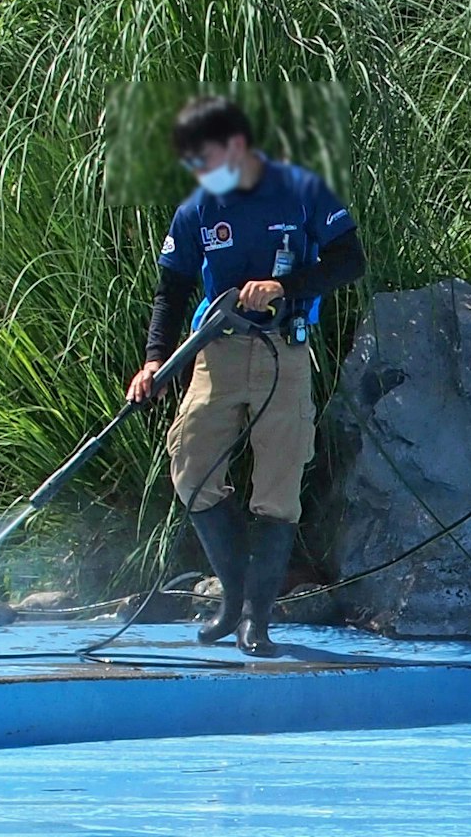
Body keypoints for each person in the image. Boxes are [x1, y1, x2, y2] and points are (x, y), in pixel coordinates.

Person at [130, 95, 363, 655]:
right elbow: (172, 289)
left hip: (284, 349)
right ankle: (232, 598)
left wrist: (287, 287)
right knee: (189, 464)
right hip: (215, 351)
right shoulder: (196, 211)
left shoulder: (301, 190)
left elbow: (349, 259)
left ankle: (257, 620)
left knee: (277, 487)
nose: (199, 172)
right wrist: (154, 360)